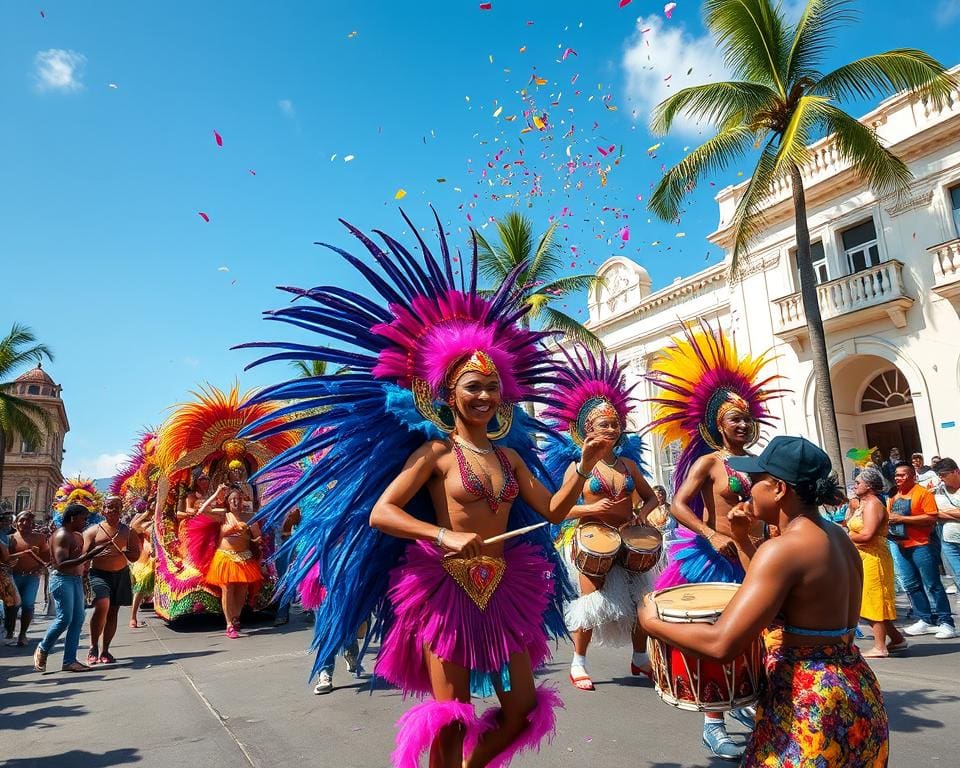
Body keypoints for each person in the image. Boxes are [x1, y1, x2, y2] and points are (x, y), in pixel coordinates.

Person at [243, 215, 604, 768]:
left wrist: (585, 463)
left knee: (523, 709)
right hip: (445, 587)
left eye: (492, 387)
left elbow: (552, 509)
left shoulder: (509, 456)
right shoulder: (434, 455)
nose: (484, 395)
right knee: (451, 718)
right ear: (447, 394)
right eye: (472, 387)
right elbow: (383, 513)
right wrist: (441, 535)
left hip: (507, 586)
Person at [639, 436, 889, 767]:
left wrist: (650, 622)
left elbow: (720, 644)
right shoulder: (837, 536)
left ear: (779, 489)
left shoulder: (783, 549)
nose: (747, 491)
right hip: (857, 692)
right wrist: (743, 539)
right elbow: (789, 596)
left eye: (755, 482)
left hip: (808, 701)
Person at [644, 320, 782, 761]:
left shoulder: (764, 461)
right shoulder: (709, 462)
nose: (744, 424)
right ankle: (713, 722)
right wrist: (708, 533)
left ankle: (755, 701)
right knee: (714, 634)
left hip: (759, 556)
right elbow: (679, 505)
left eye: (747, 418)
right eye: (734, 419)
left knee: (762, 634)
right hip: (715, 556)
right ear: (719, 426)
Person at [539, 347, 658, 691]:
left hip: (628, 538)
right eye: (604, 424)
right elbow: (559, 507)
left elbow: (649, 497)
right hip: (592, 539)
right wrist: (591, 510)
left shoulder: (629, 466)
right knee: (591, 605)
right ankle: (579, 662)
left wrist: (642, 513)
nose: (612, 428)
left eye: (615, 424)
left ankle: (640, 658)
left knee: (639, 602)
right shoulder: (580, 466)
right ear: (587, 429)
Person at [34, 504, 112, 673]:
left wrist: (86, 566)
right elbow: (61, 564)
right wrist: (89, 555)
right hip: (62, 580)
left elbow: (78, 559)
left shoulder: (77, 535)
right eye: (83, 518)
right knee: (64, 619)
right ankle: (43, 647)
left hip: (75, 580)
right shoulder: (62, 535)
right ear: (72, 518)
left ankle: (69, 660)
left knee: (78, 619)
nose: (86, 522)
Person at [888, 462, 956, 639]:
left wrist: (903, 518)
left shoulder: (922, 493)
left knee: (932, 583)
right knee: (911, 584)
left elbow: (931, 517)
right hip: (899, 544)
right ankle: (924, 619)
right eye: (896, 475)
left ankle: (946, 621)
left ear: (913, 476)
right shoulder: (894, 495)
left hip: (921, 543)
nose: (898, 478)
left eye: (902, 475)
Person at [189, 484, 264, 638]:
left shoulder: (249, 517)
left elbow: (258, 538)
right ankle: (229, 623)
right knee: (227, 589)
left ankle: (236, 617)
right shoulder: (223, 516)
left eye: (238, 499)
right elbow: (202, 510)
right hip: (225, 557)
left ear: (242, 501)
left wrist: (256, 539)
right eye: (232, 500)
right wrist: (217, 492)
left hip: (244, 557)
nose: (235, 502)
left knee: (242, 589)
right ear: (228, 502)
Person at [846, 468, 906, 657]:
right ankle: (897, 639)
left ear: (869, 486)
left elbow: (867, 534)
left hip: (874, 557)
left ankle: (880, 646)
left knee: (874, 599)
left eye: (858, 482)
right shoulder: (863, 504)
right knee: (868, 599)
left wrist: (845, 536)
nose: (855, 485)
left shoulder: (873, 504)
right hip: (863, 556)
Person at [83, 495, 141, 663]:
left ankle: (105, 650)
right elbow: (84, 556)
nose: (113, 509)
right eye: (110, 506)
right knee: (102, 604)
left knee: (113, 611)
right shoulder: (93, 531)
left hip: (120, 574)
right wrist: (83, 573)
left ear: (121, 509)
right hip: (99, 574)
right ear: (103, 510)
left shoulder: (128, 531)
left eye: (117, 506)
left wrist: (124, 552)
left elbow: (135, 556)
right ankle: (93, 646)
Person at [7, 510, 52, 647]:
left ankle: (22, 634)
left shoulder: (40, 538)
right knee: (12, 605)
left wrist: (40, 568)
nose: (25, 523)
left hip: (31, 578)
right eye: (22, 520)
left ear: (33, 524)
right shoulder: (10, 538)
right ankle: (9, 631)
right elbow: (5, 558)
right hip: (13, 576)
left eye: (28, 521)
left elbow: (47, 556)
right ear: (16, 523)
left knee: (28, 605)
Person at [931, 458, 960, 596]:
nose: (941, 478)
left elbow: (938, 513)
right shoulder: (938, 491)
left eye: (944, 475)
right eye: (939, 475)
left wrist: (943, 513)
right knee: (958, 577)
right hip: (949, 541)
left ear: (956, 472)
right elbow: (932, 514)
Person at [128, 508, 156, 628]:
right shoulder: (144, 525)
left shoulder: (162, 519)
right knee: (140, 586)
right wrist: (147, 512)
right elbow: (133, 526)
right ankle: (133, 617)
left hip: (159, 556)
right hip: (145, 558)